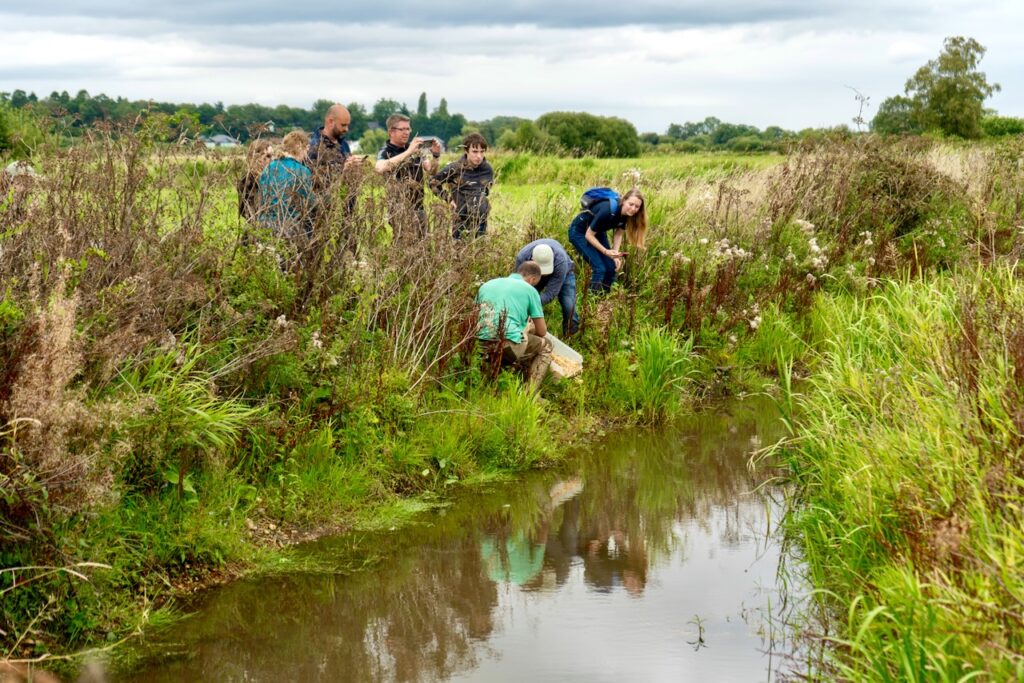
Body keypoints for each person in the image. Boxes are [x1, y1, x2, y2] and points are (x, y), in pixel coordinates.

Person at [476, 261, 552, 390]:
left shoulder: (487, 285)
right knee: (546, 345)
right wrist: (527, 329)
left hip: (480, 340)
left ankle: (488, 382)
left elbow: (475, 315)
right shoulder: (530, 290)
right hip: (508, 342)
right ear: (532, 279)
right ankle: (529, 395)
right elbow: (542, 331)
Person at [567, 188, 648, 294]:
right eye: (631, 204)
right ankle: (591, 302)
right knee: (600, 268)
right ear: (623, 201)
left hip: (598, 232)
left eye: (637, 207)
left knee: (611, 267)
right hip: (580, 232)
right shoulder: (608, 210)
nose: (633, 209)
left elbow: (619, 232)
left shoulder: (627, 215)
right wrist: (606, 251)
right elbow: (589, 235)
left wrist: (615, 254)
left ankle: (603, 300)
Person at [375, 113, 441, 237]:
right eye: (402, 129)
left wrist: (436, 156)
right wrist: (409, 152)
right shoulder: (386, 151)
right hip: (399, 209)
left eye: (408, 129)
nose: (406, 132)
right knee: (405, 246)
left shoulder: (417, 149)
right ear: (391, 132)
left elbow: (431, 170)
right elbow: (380, 168)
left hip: (419, 207)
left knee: (422, 247)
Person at [428, 132, 494, 239]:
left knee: (479, 250)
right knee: (459, 251)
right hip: (461, 220)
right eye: (475, 151)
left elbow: (486, 191)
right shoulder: (455, 168)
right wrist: (448, 199)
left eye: (482, 152)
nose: (479, 156)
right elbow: (432, 182)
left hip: (481, 221)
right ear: (466, 151)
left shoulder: (487, 169)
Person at [258, 130, 315, 247]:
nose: (306, 154)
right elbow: (309, 203)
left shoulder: (269, 167)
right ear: (300, 146)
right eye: (306, 149)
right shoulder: (302, 171)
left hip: (264, 226)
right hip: (289, 229)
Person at [307, 103, 364, 217]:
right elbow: (314, 183)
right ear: (330, 121)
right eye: (343, 125)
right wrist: (344, 169)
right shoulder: (314, 147)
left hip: (345, 213)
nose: (346, 129)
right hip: (323, 215)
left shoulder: (344, 145)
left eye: (348, 125)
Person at [514, 239, 579, 336]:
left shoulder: (560, 262)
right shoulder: (522, 258)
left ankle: (570, 336)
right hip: (533, 273)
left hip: (563, 274)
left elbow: (550, 293)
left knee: (569, 306)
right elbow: (520, 287)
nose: (543, 275)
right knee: (522, 300)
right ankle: (520, 329)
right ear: (532, 260)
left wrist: (531, 305)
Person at [237, 138, 274, 225]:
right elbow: (244, 211)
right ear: (256, 157)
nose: (272, 159)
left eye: (273, 155)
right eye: (268, 156)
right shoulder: (247, 180)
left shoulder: (273, 176)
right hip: (256, 227)